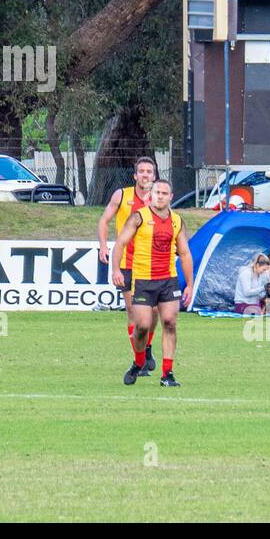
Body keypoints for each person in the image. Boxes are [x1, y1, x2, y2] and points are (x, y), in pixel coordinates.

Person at [112, 179, 194, 387]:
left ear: (170, 197)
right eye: (157, 192)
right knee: (142, 326)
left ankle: (167, 374)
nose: (160, 196)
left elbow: (184, 254)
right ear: (151, 195)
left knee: (170, 322)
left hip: (168, 280)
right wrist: (115, 270)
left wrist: (190, 285)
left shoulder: (177, 221)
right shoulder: (139, 217)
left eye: (164, 193)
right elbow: (120, 243)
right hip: (143, 280)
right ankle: (138, 362)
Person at [98, 157, 161, 371]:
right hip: (126, 261)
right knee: (134, 311)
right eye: (141, 171)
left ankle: (147, 346)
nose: (145, 175)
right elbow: (104, 220)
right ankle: (140, 359)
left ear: (154, 176)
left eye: (149, 172)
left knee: (153, 312)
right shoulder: (121, 195)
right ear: (135, 175)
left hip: (151, 263)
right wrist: (104, 246)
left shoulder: (158, 199)